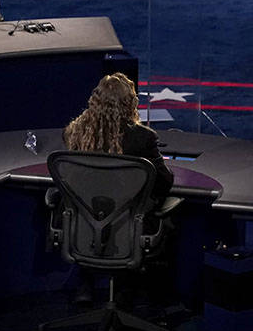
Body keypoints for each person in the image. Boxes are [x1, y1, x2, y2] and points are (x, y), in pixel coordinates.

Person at [62, 72, 176, 306]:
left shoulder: (75, 132)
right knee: (167, 214)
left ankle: (85, 282)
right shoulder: (143, 138)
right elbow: (164, 183)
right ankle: (132, 290)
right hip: (129, 225)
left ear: (95, 101)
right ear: (130, 103)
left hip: (85, 225)